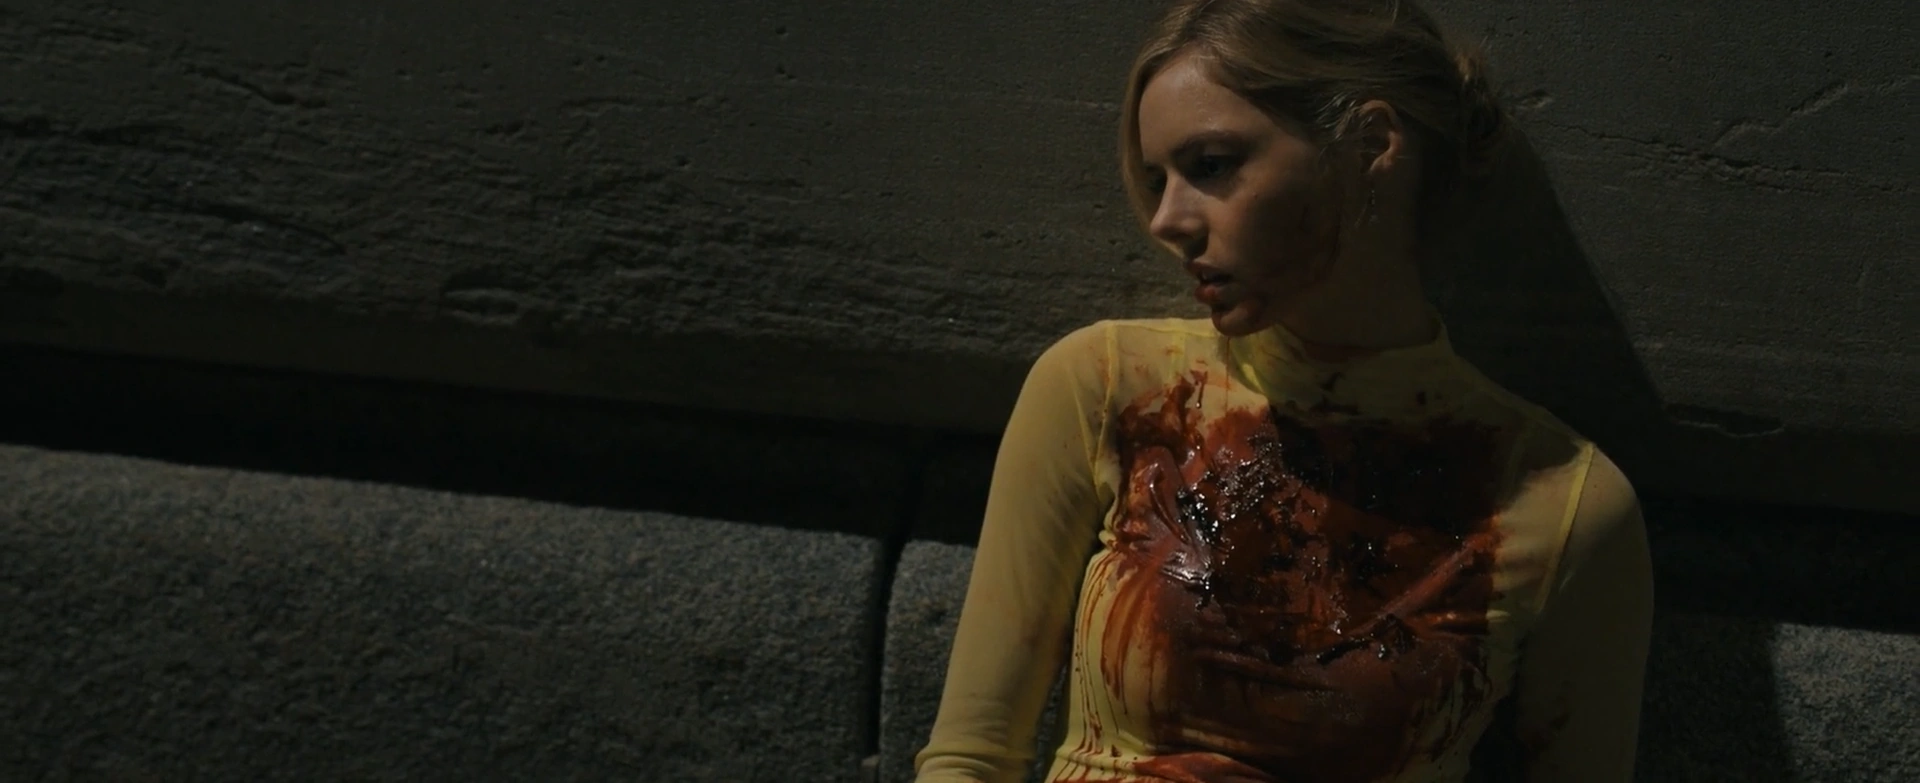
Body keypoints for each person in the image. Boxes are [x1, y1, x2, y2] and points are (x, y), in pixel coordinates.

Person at [911, 1, 1655, 781]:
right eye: (1158, 179)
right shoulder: (1109, 388)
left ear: (1370, 144)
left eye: (1210, 165)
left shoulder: (1560, 501)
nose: (1165, 220)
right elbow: (969, 756)